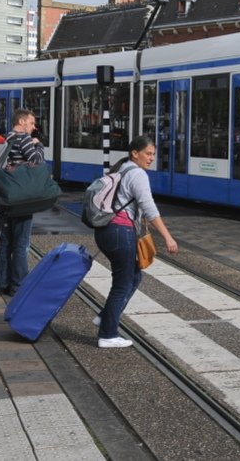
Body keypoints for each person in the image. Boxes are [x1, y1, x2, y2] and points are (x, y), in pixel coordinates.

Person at [93, 135, 178, 348]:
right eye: (148, 154)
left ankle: (106, 317)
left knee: (133, 277)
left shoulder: (121, 169)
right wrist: (167, 237)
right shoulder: (137, 174)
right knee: (123, 284)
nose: (151, 159)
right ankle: (108, 334)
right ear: (135, 153)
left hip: (107, 231)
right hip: (120, 232)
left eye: (153, 155)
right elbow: (149, 209)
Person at [0, 108, 44, 296]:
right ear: (22, 122)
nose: (33, 127)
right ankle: (18, 285)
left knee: (5, 241)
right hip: (21, 199)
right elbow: (36, 161)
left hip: (4, 197)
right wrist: (39, 146)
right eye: (31, 123)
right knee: (21, 243)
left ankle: (1, 283)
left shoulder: (6, 139)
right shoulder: (23, 139)